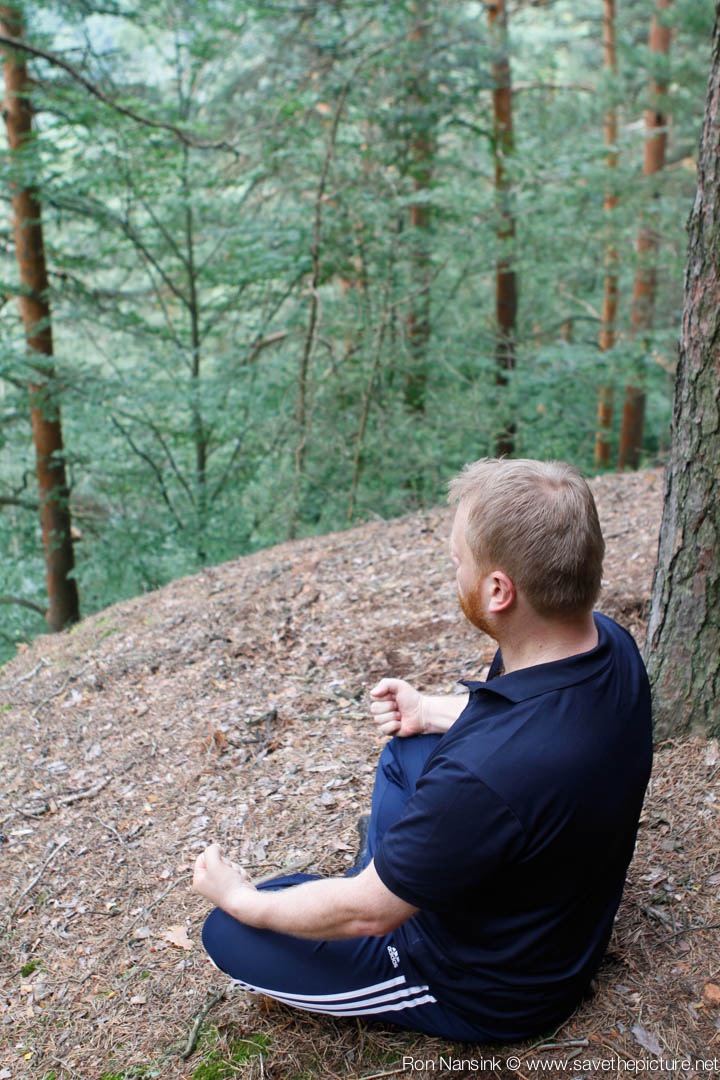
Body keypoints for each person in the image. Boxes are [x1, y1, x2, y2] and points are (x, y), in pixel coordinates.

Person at [193, 458, 653, 1042]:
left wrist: (242, 900)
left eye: (458, 559)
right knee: (406, 754)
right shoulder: (608, 644)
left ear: (498, 590)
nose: (452, 567)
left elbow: (371, 913)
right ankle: (390, 874)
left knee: (231, 929)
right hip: (549, 898)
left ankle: (384, 899)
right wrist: (429, 711)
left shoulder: (485, 776)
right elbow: (527, 732)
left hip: (486, 984)